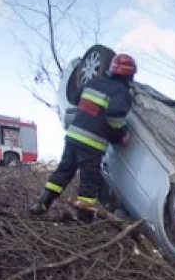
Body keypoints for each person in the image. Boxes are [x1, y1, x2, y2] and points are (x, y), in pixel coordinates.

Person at [30, 53, 136, 218]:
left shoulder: (95, 82)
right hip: (92, 144)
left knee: (64, 171)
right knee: (89, 182)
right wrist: (122, 134)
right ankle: (83, 220)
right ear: (130, 75)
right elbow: (114, 116)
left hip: (73, 136)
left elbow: (75, 97)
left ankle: (42, 205)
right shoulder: (122, 92)